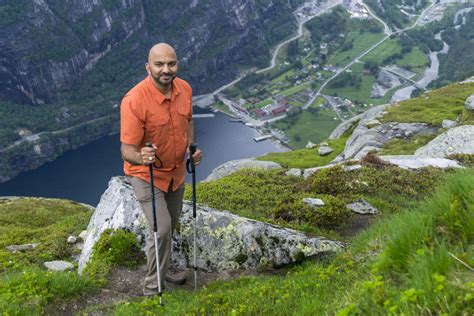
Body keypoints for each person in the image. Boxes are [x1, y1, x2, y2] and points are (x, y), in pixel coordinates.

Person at [120, 42, 202, 296]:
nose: (166, 69)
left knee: (169, 225)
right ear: (148, 67)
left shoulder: (184, 89)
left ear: (177, 64)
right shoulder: (134, 100)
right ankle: (151, 288)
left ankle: (164, 268)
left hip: (175, 173)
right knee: (162, 228)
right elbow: (127, 150)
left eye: (171, 63)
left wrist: (191, 148)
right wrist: (141, 156)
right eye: (159, 64)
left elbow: (188, 120)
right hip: (147, 174)